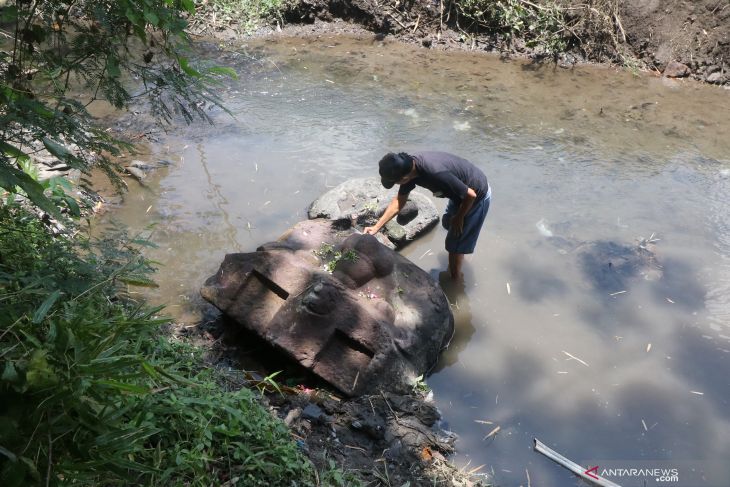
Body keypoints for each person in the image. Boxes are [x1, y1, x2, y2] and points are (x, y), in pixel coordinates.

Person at [364, 151, 491, 280]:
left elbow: (470, 195)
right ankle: (461, 252)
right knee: (448, 224)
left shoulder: (435, 172)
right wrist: (376, 227)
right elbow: (398, 202)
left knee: (454, 244)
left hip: (476, 195)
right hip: (459, 194)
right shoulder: (408, 168)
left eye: (395, 183)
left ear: (403, 179)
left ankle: (456, 281)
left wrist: (459, 217)